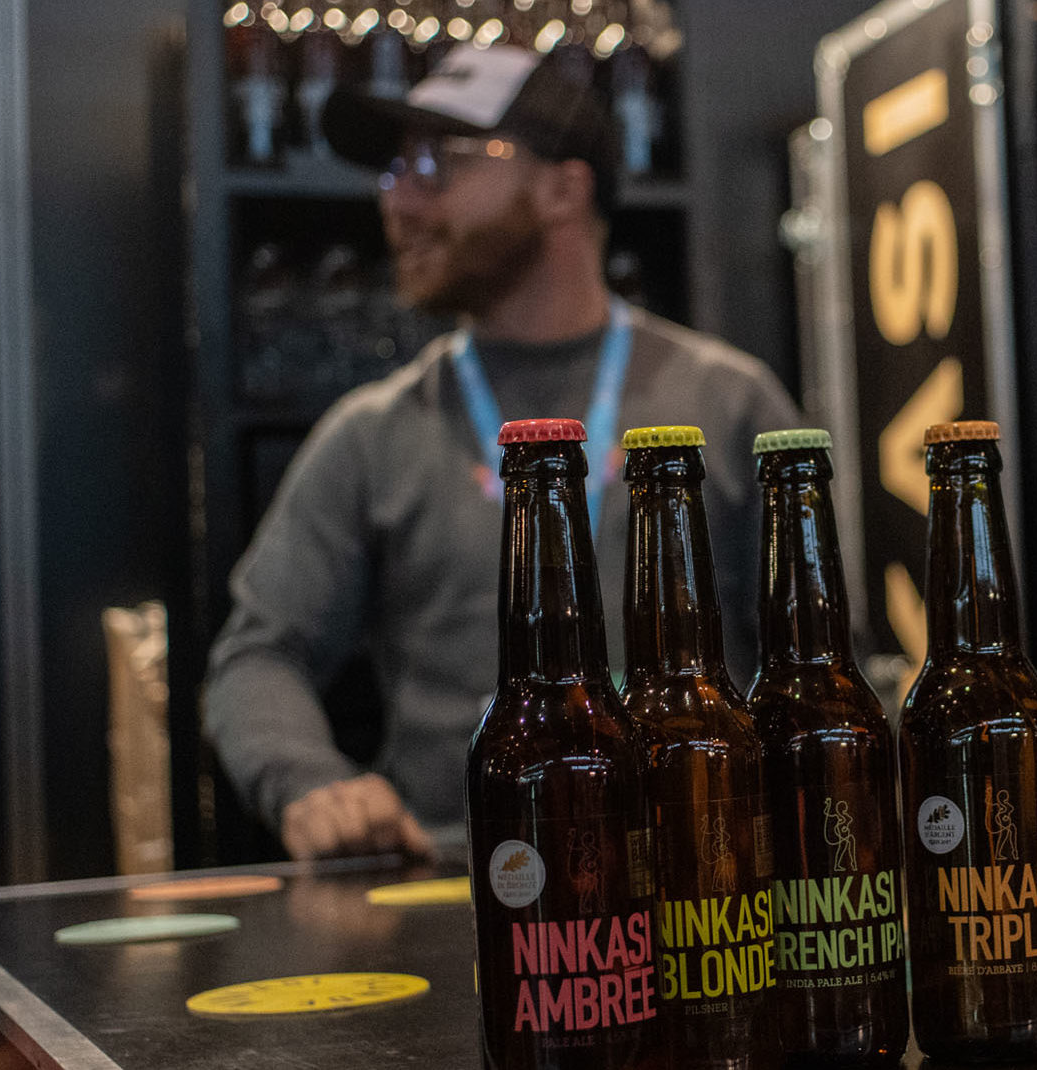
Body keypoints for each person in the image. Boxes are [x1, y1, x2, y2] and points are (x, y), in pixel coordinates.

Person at [204, 43, 800, 861]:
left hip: (702, 873)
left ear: (562, 188)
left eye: (437, 162)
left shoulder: (726, 403)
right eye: (395, 169)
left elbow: (813, 663)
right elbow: (257, 655)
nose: (397, 199)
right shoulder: (374, 431)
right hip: (460, 876)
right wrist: (309, 783)